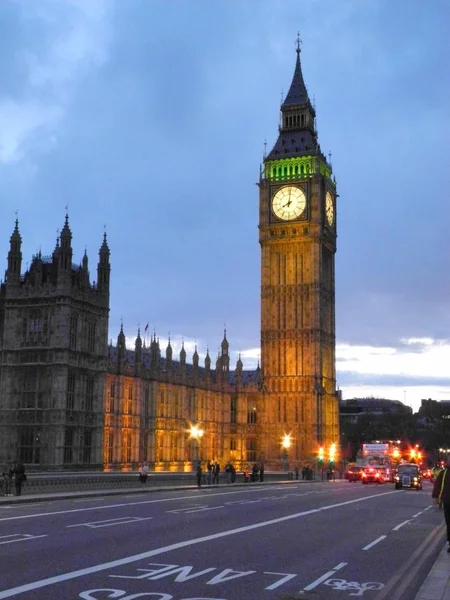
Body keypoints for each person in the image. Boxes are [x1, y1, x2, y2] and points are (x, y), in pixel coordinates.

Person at [432, 458, 450, 552]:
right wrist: (435, 496)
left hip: (446, 500)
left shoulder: (443, 472)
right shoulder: (443, 473)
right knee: (448, 523)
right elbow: (437, 485)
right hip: (447, 501)